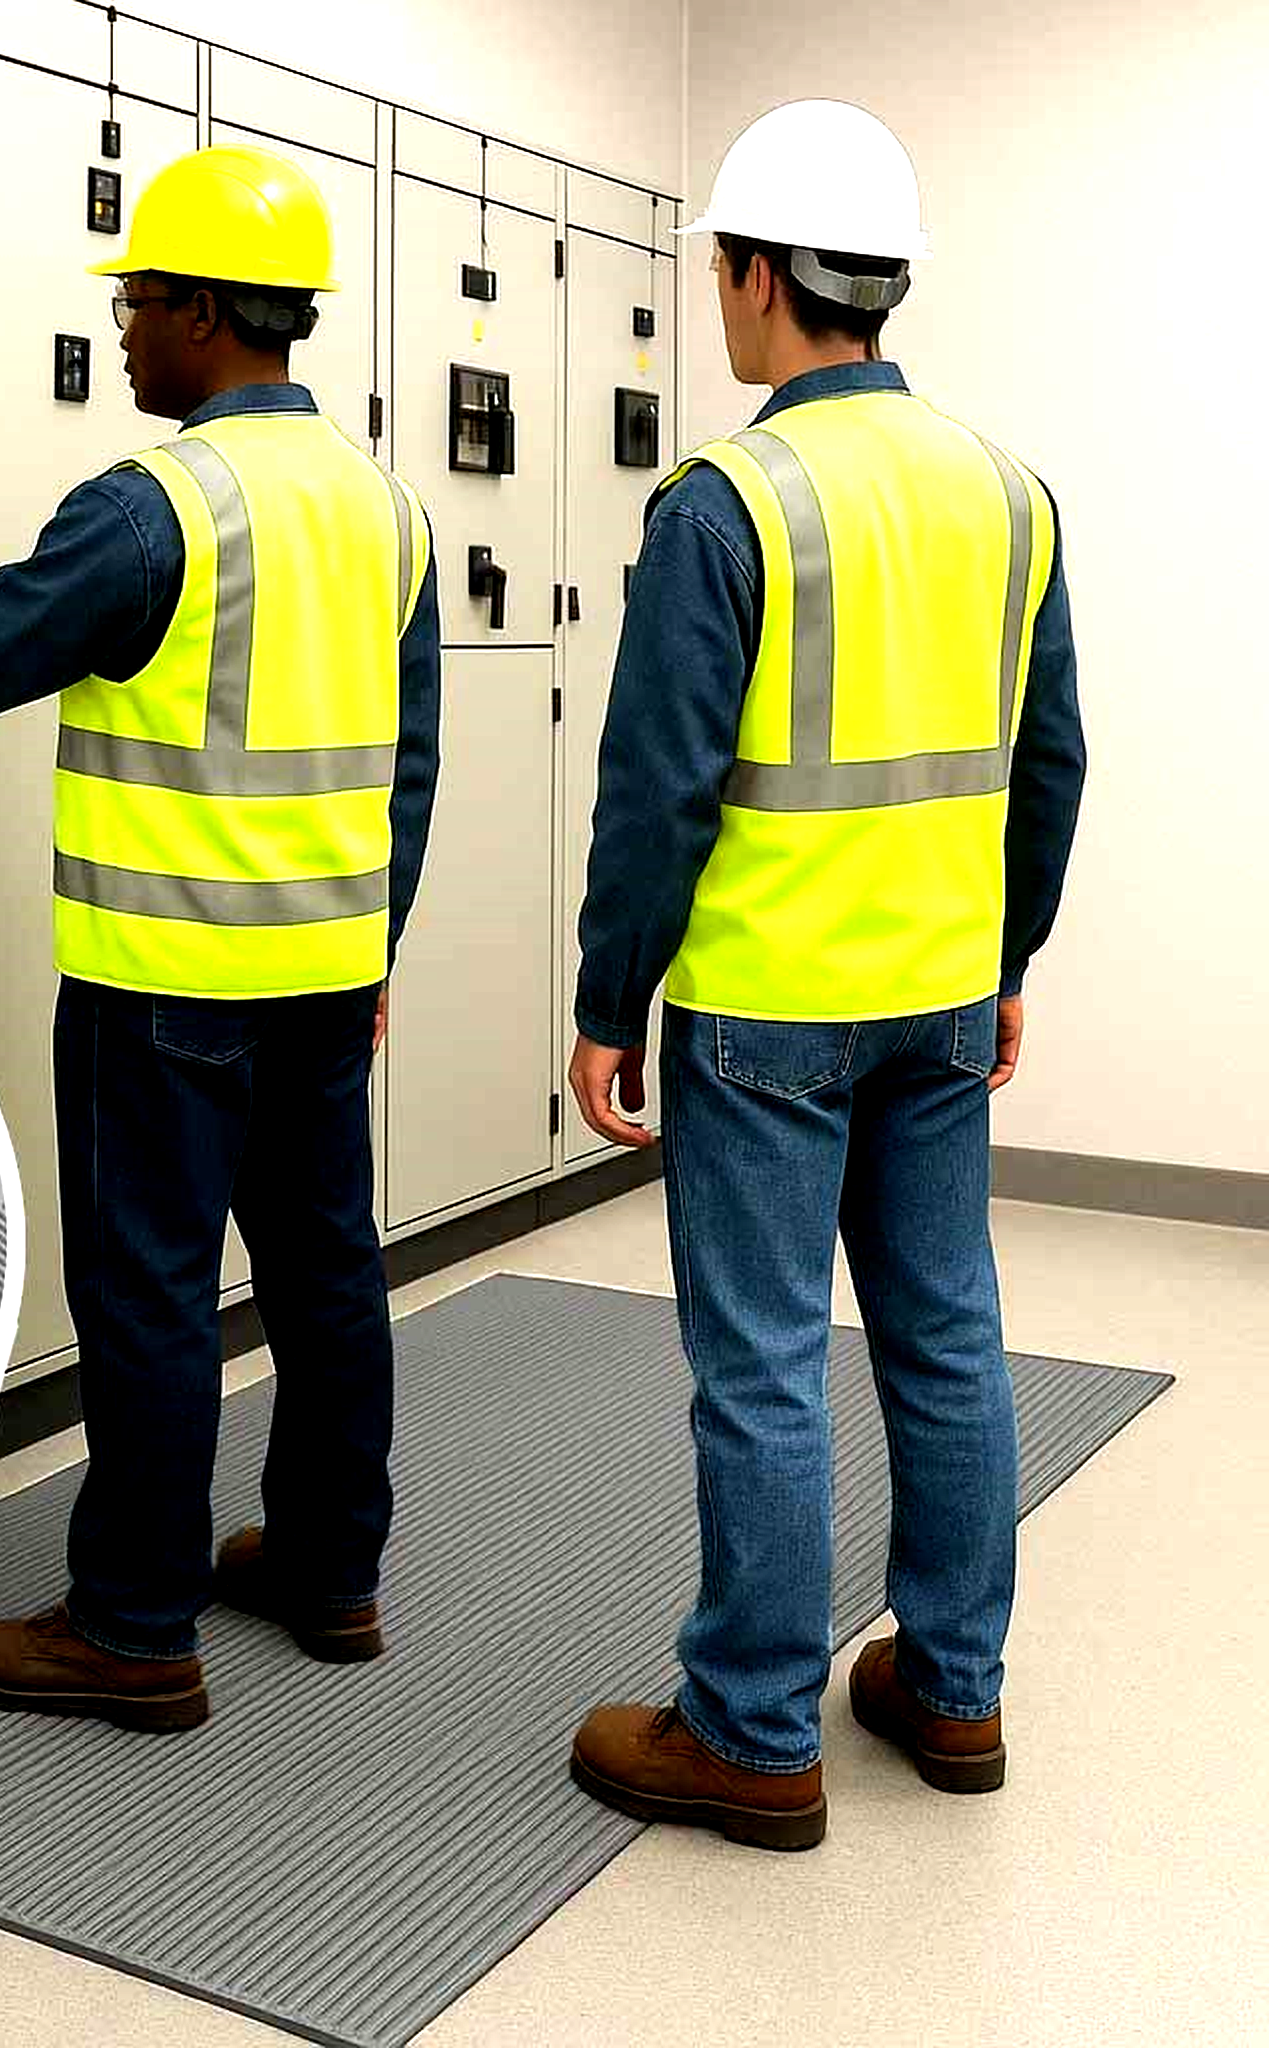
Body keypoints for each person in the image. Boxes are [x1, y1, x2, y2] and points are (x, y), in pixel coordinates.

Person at [0, 145, 441, 1733]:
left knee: (151, 1295)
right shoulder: (386, 510)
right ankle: (332, 1568)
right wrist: (374, 949)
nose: (121, 330)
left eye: (136, 301)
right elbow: (409, 768)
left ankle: (133, 1628)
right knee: (328, 1274)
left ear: (201, 311)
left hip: (166, 983)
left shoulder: (154, 512)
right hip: (325, 975)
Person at [560, 100, 1086, 1850]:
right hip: (939, 994)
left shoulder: (728, 504)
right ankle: (954, 1689)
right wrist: (1005, 959)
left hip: (767, 1010)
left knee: (766, 1362)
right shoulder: (1009, 494)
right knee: (947, 1339)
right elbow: (1051, 763)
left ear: (759, 275)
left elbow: (657, 789)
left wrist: (607, 1001)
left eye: (721, 264)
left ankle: (752, 1733)